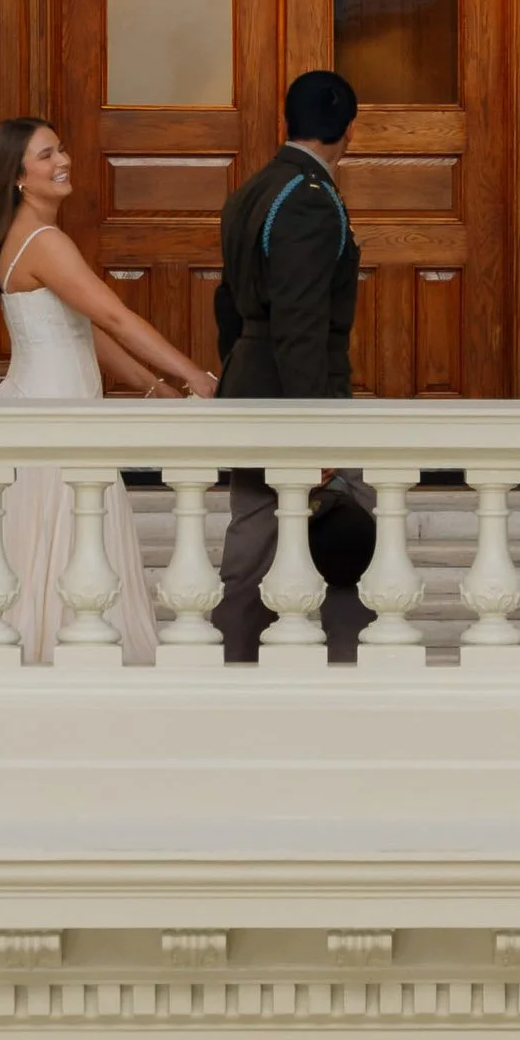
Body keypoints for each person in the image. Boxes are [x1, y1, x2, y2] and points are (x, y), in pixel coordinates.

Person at [0, 116, 217, 665]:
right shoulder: (43, 241)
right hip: (53, 419)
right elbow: (115, 318)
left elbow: (83, 329)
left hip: (48, 409)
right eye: (46, 155)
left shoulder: (27, 235)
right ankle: (57, 660)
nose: (62, 161)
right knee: (64, 544)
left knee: (57, 549)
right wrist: (195, 376)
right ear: (19, 176)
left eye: (60, 149)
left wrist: (153, 387)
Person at [214, 69, 372, 664]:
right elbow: (300, 321)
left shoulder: (253, 188)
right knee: (329, 536)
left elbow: (227, 301)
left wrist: (235, 375)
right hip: (296, 394)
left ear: (288, 119)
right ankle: (336, 665)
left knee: (257, 526)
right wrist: (316, 427)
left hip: (252, 383)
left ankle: (238, 656)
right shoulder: (308, 200)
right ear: (349, 131)